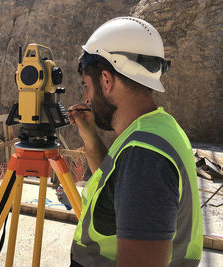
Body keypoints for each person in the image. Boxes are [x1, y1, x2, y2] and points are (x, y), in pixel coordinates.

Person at [68, 17, 203, 267]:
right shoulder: (155, 129)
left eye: (86, 86)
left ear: (106, 80)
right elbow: (115, 188)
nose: (85, 98)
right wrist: (88, 133)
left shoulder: (144, 158)